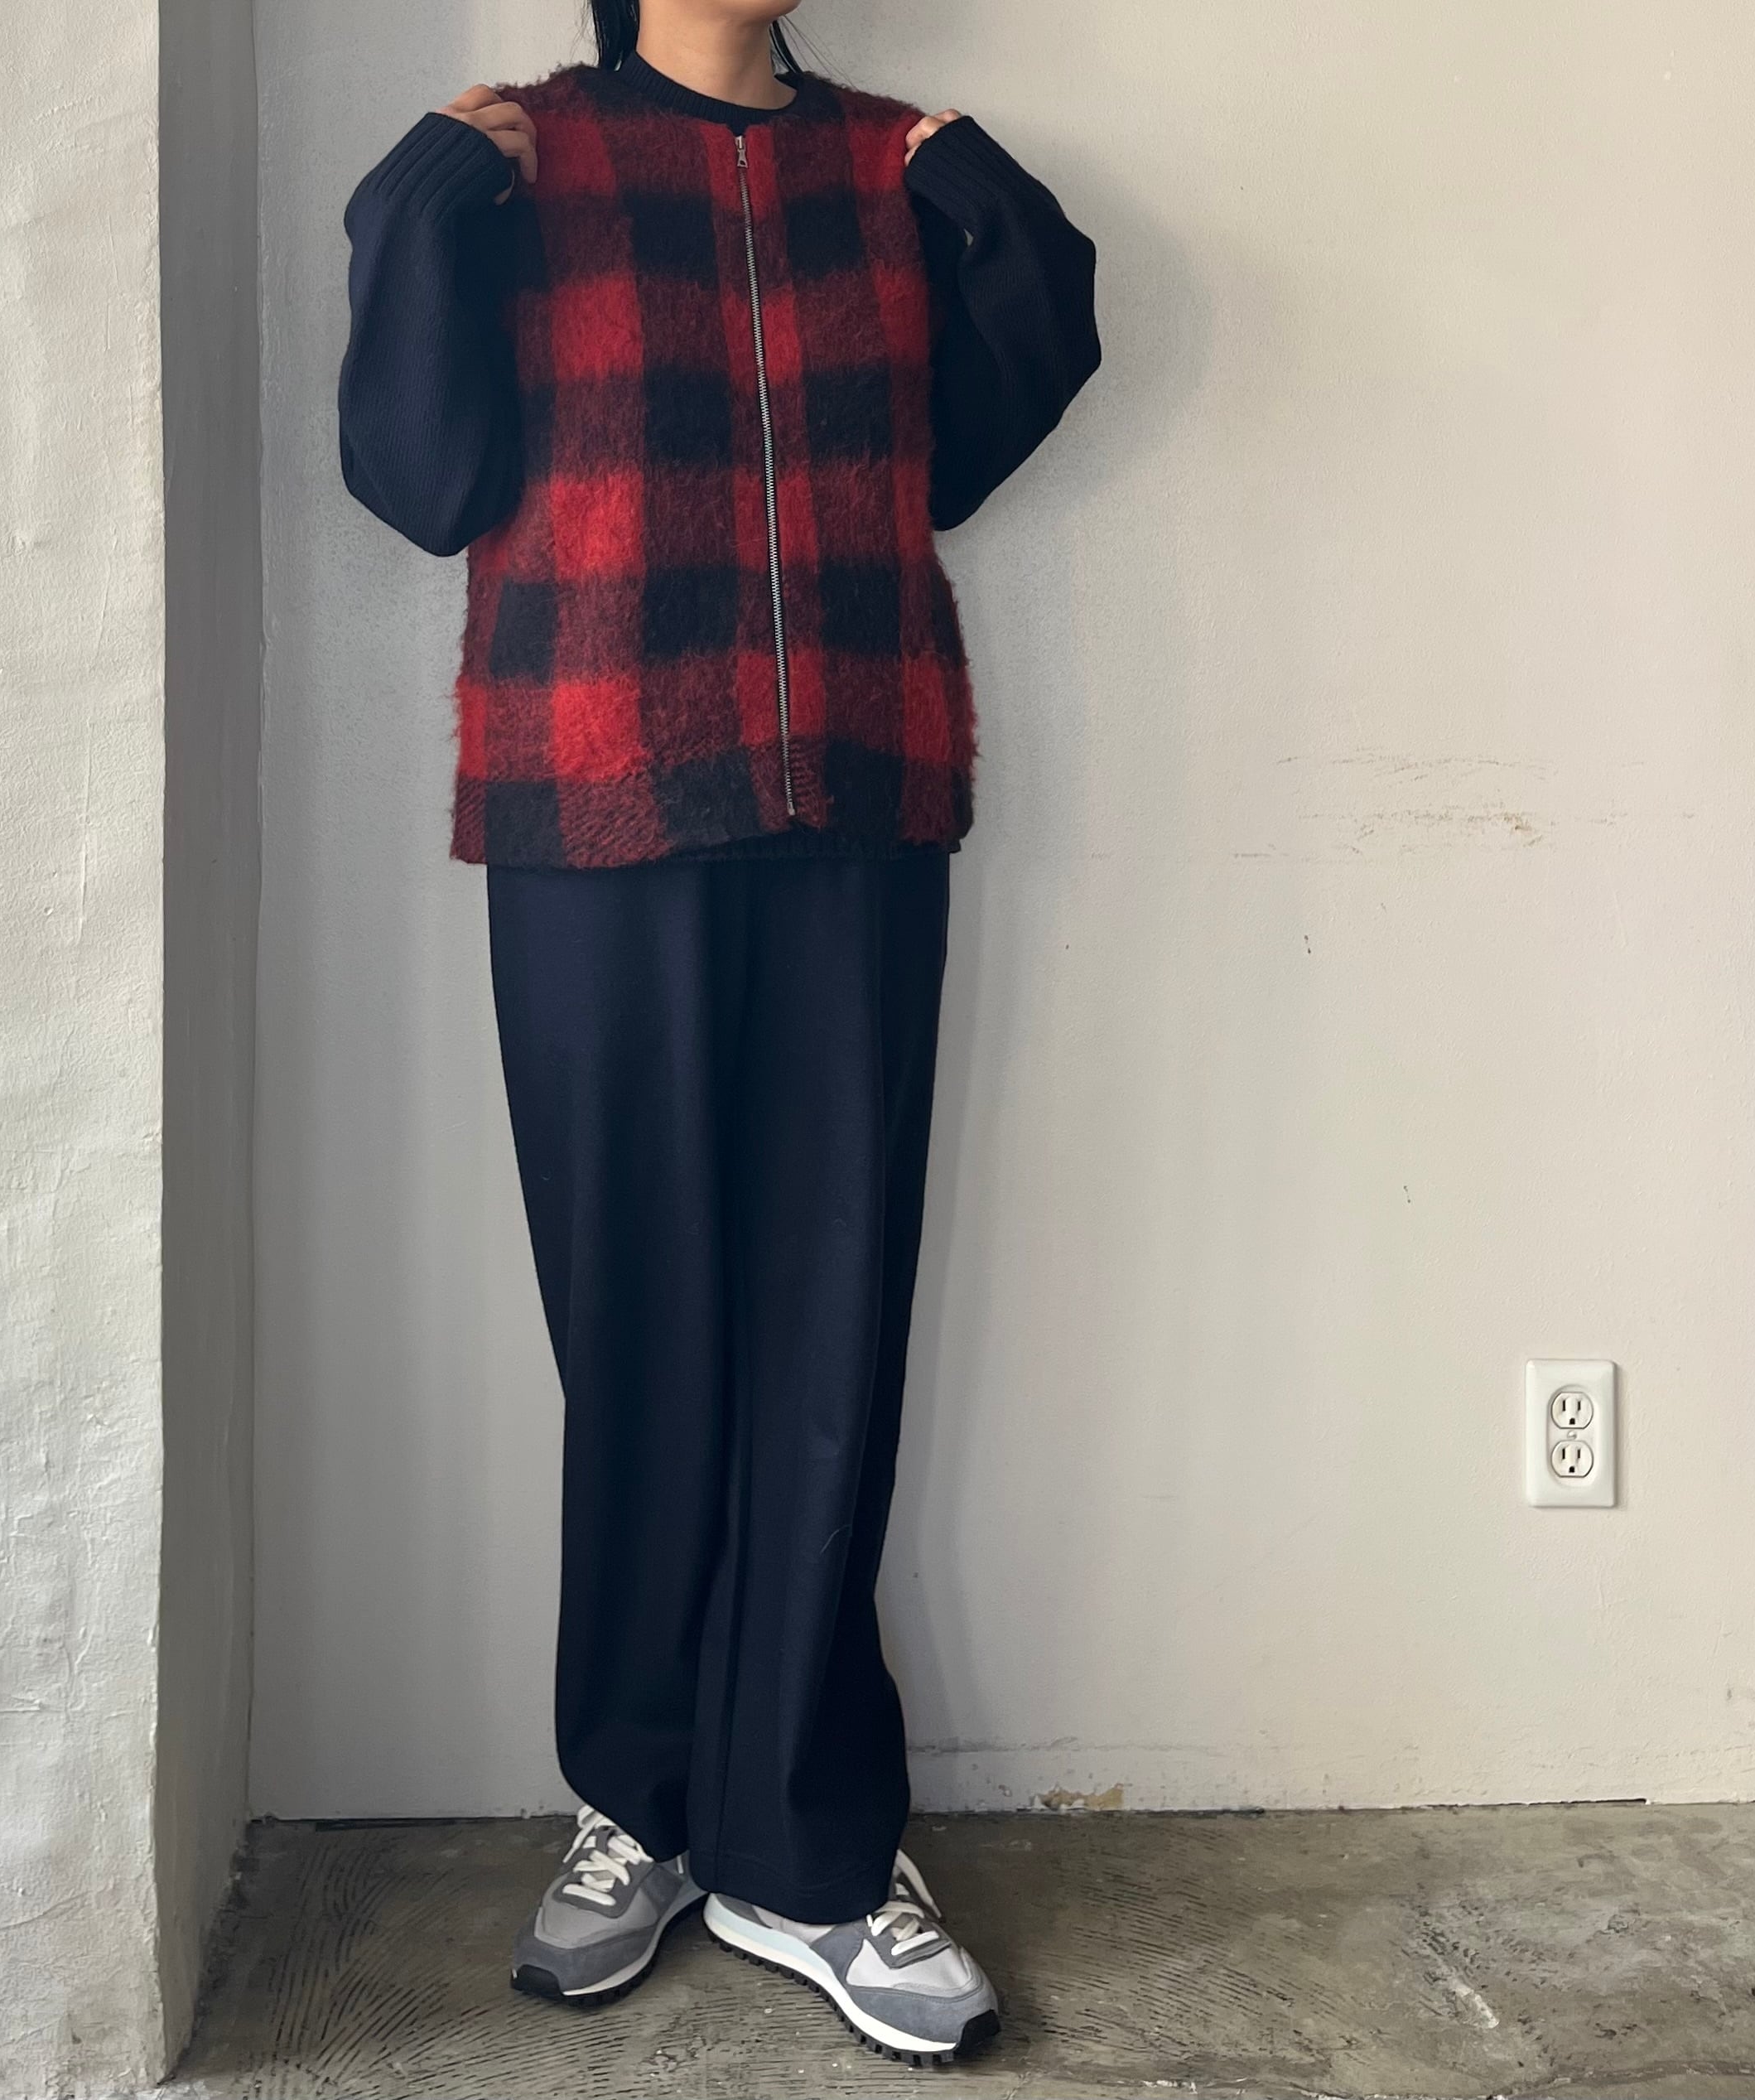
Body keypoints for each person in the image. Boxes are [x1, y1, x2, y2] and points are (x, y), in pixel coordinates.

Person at [337, 0, 1099, 2064]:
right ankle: (640, 1795)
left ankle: (809, 1844)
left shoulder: (882, 163)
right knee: (636, 1326)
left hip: (854, 798)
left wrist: (986, 203)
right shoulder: (527, 157)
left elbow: (970, 435)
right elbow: (415, 479)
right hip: (589, 799)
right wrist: (416, 205)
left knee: (829, 1333)